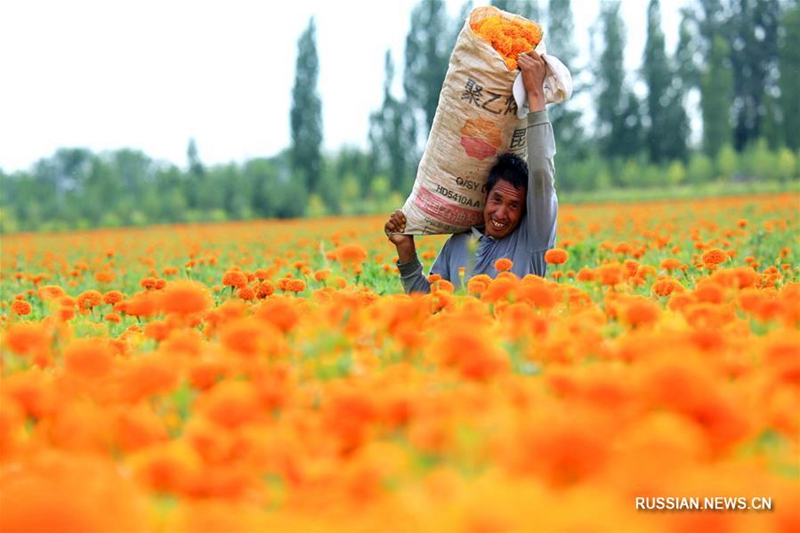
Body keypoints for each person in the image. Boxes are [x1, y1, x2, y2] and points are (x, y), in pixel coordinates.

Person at [384, 50, 557, 295]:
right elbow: (429, 305)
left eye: (514, 205)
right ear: (485, 195)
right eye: (497, 200)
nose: (501, 213)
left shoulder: (532, 241)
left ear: (526, 210)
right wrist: (405, 249)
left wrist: (535, 94)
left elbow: (542, 172)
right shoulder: (457, 245)